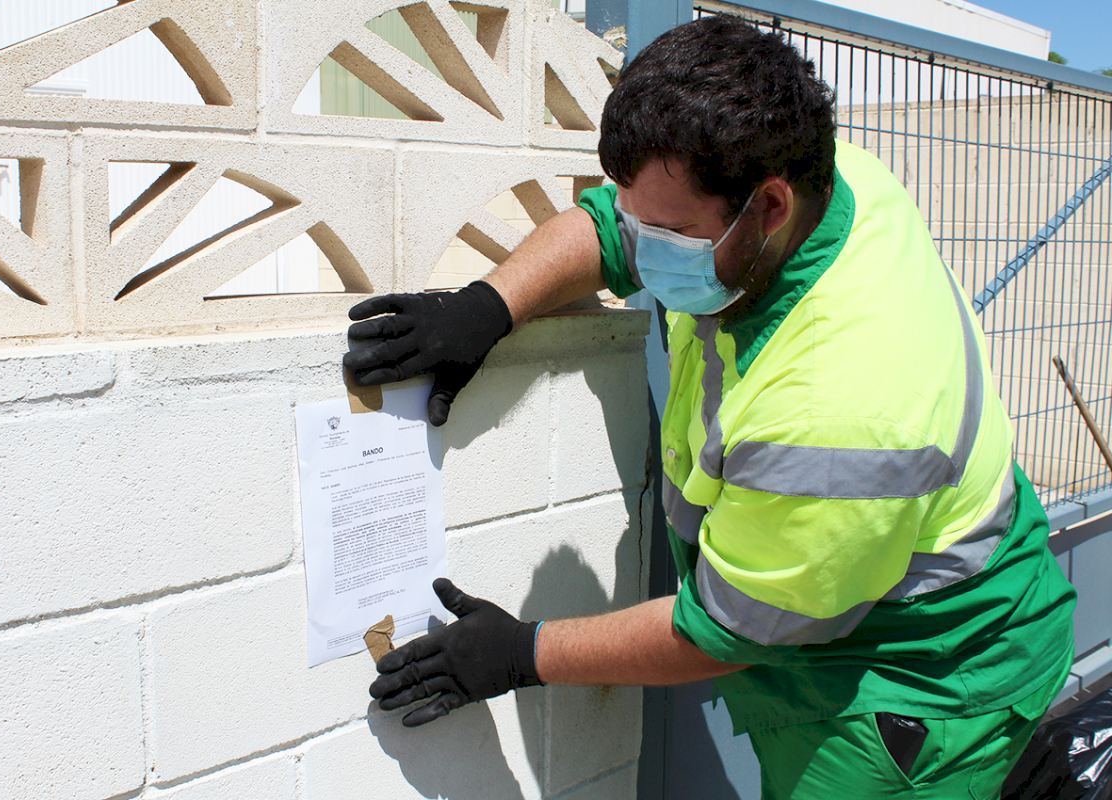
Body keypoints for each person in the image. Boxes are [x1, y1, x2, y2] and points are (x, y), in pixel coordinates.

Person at [343, 14, 1076, 798]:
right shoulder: (827, 181)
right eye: (642, 221)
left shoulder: (835, 414)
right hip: (865, 592)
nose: (645, 248)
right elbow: (617, 227)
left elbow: (724, 631)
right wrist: (489, 306)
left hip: (921, 687)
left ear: (770, 206)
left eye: (672, 233)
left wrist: (522, 654)